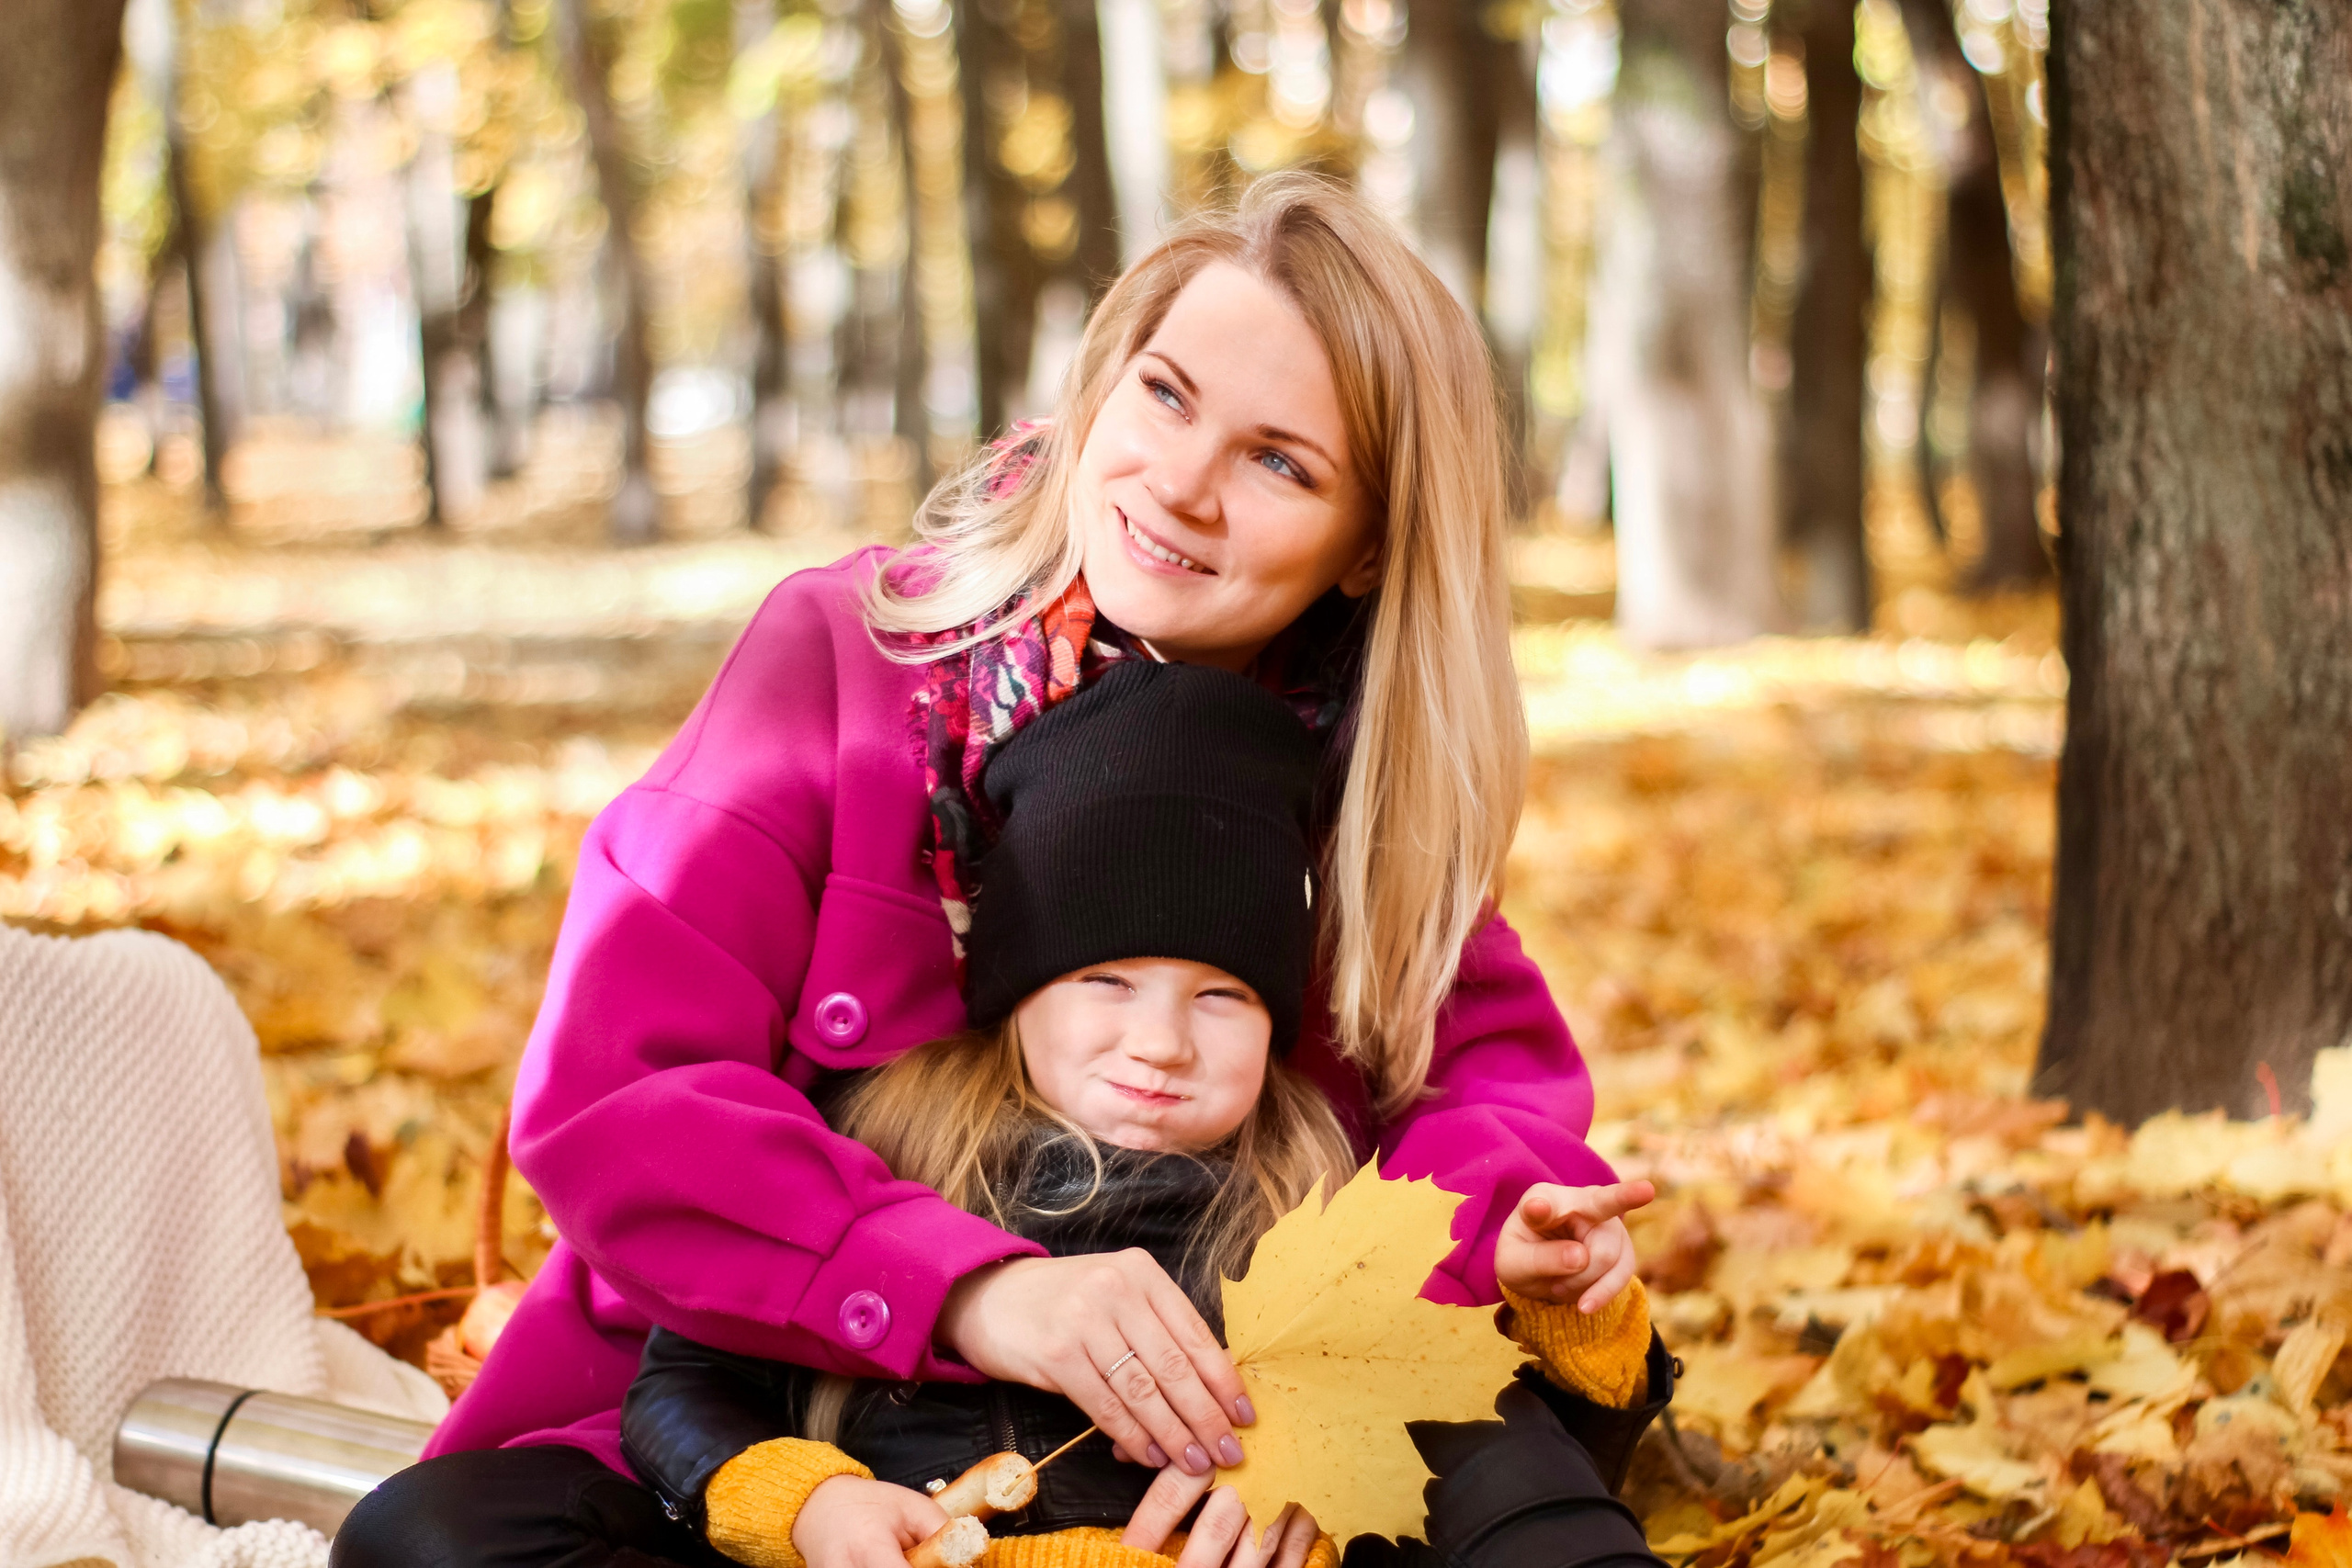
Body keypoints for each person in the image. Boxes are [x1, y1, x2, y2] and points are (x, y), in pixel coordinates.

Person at [342, 171, 1625, 1557]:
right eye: (1166, 395)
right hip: (808, 1399)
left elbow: (1497, 1103)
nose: (1180, 486)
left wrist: (1335, 1385)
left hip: (1213, 1433)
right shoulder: (845, 656)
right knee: (435, 1544)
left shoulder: (1367, 783)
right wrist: (964, 1292)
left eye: (1280, 463)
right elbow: (618, 1091)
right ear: (1104, 384)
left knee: (1514, 1487)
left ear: (1369, 543)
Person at [345, 664, 1667, 1568]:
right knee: (431, 1532)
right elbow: (692, 1374)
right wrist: (809, 1505)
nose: (1158, 1043)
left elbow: (1539, 1457)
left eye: (1222, 999)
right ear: (1015, 990)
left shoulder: (1302, 1191)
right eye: (1104, 982)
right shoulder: (895, 1145)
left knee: (1477, 1425)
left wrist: (1562, 1306)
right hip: (919, 1532)